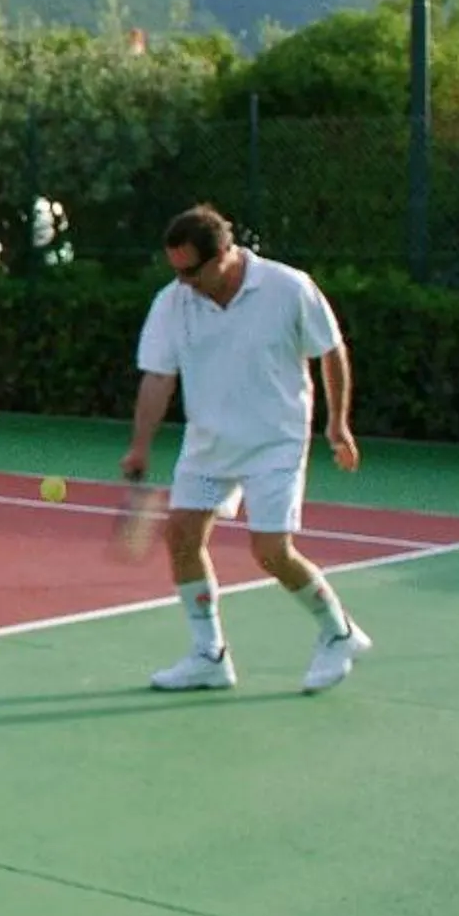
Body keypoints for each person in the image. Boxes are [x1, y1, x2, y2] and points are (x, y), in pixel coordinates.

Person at [122, 204, 366, 694]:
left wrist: (337, 424)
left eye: (192, 270)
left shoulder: (288, 288)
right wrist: (140, 445)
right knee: (183, 537)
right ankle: (209, 655)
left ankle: (338, 632)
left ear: (226, 254)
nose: (183, 281)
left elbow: (330, 350)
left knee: (271, 551)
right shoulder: (173, 302)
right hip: (209, 443)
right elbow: (157, 377)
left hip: (275, 441)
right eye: (175, 270)